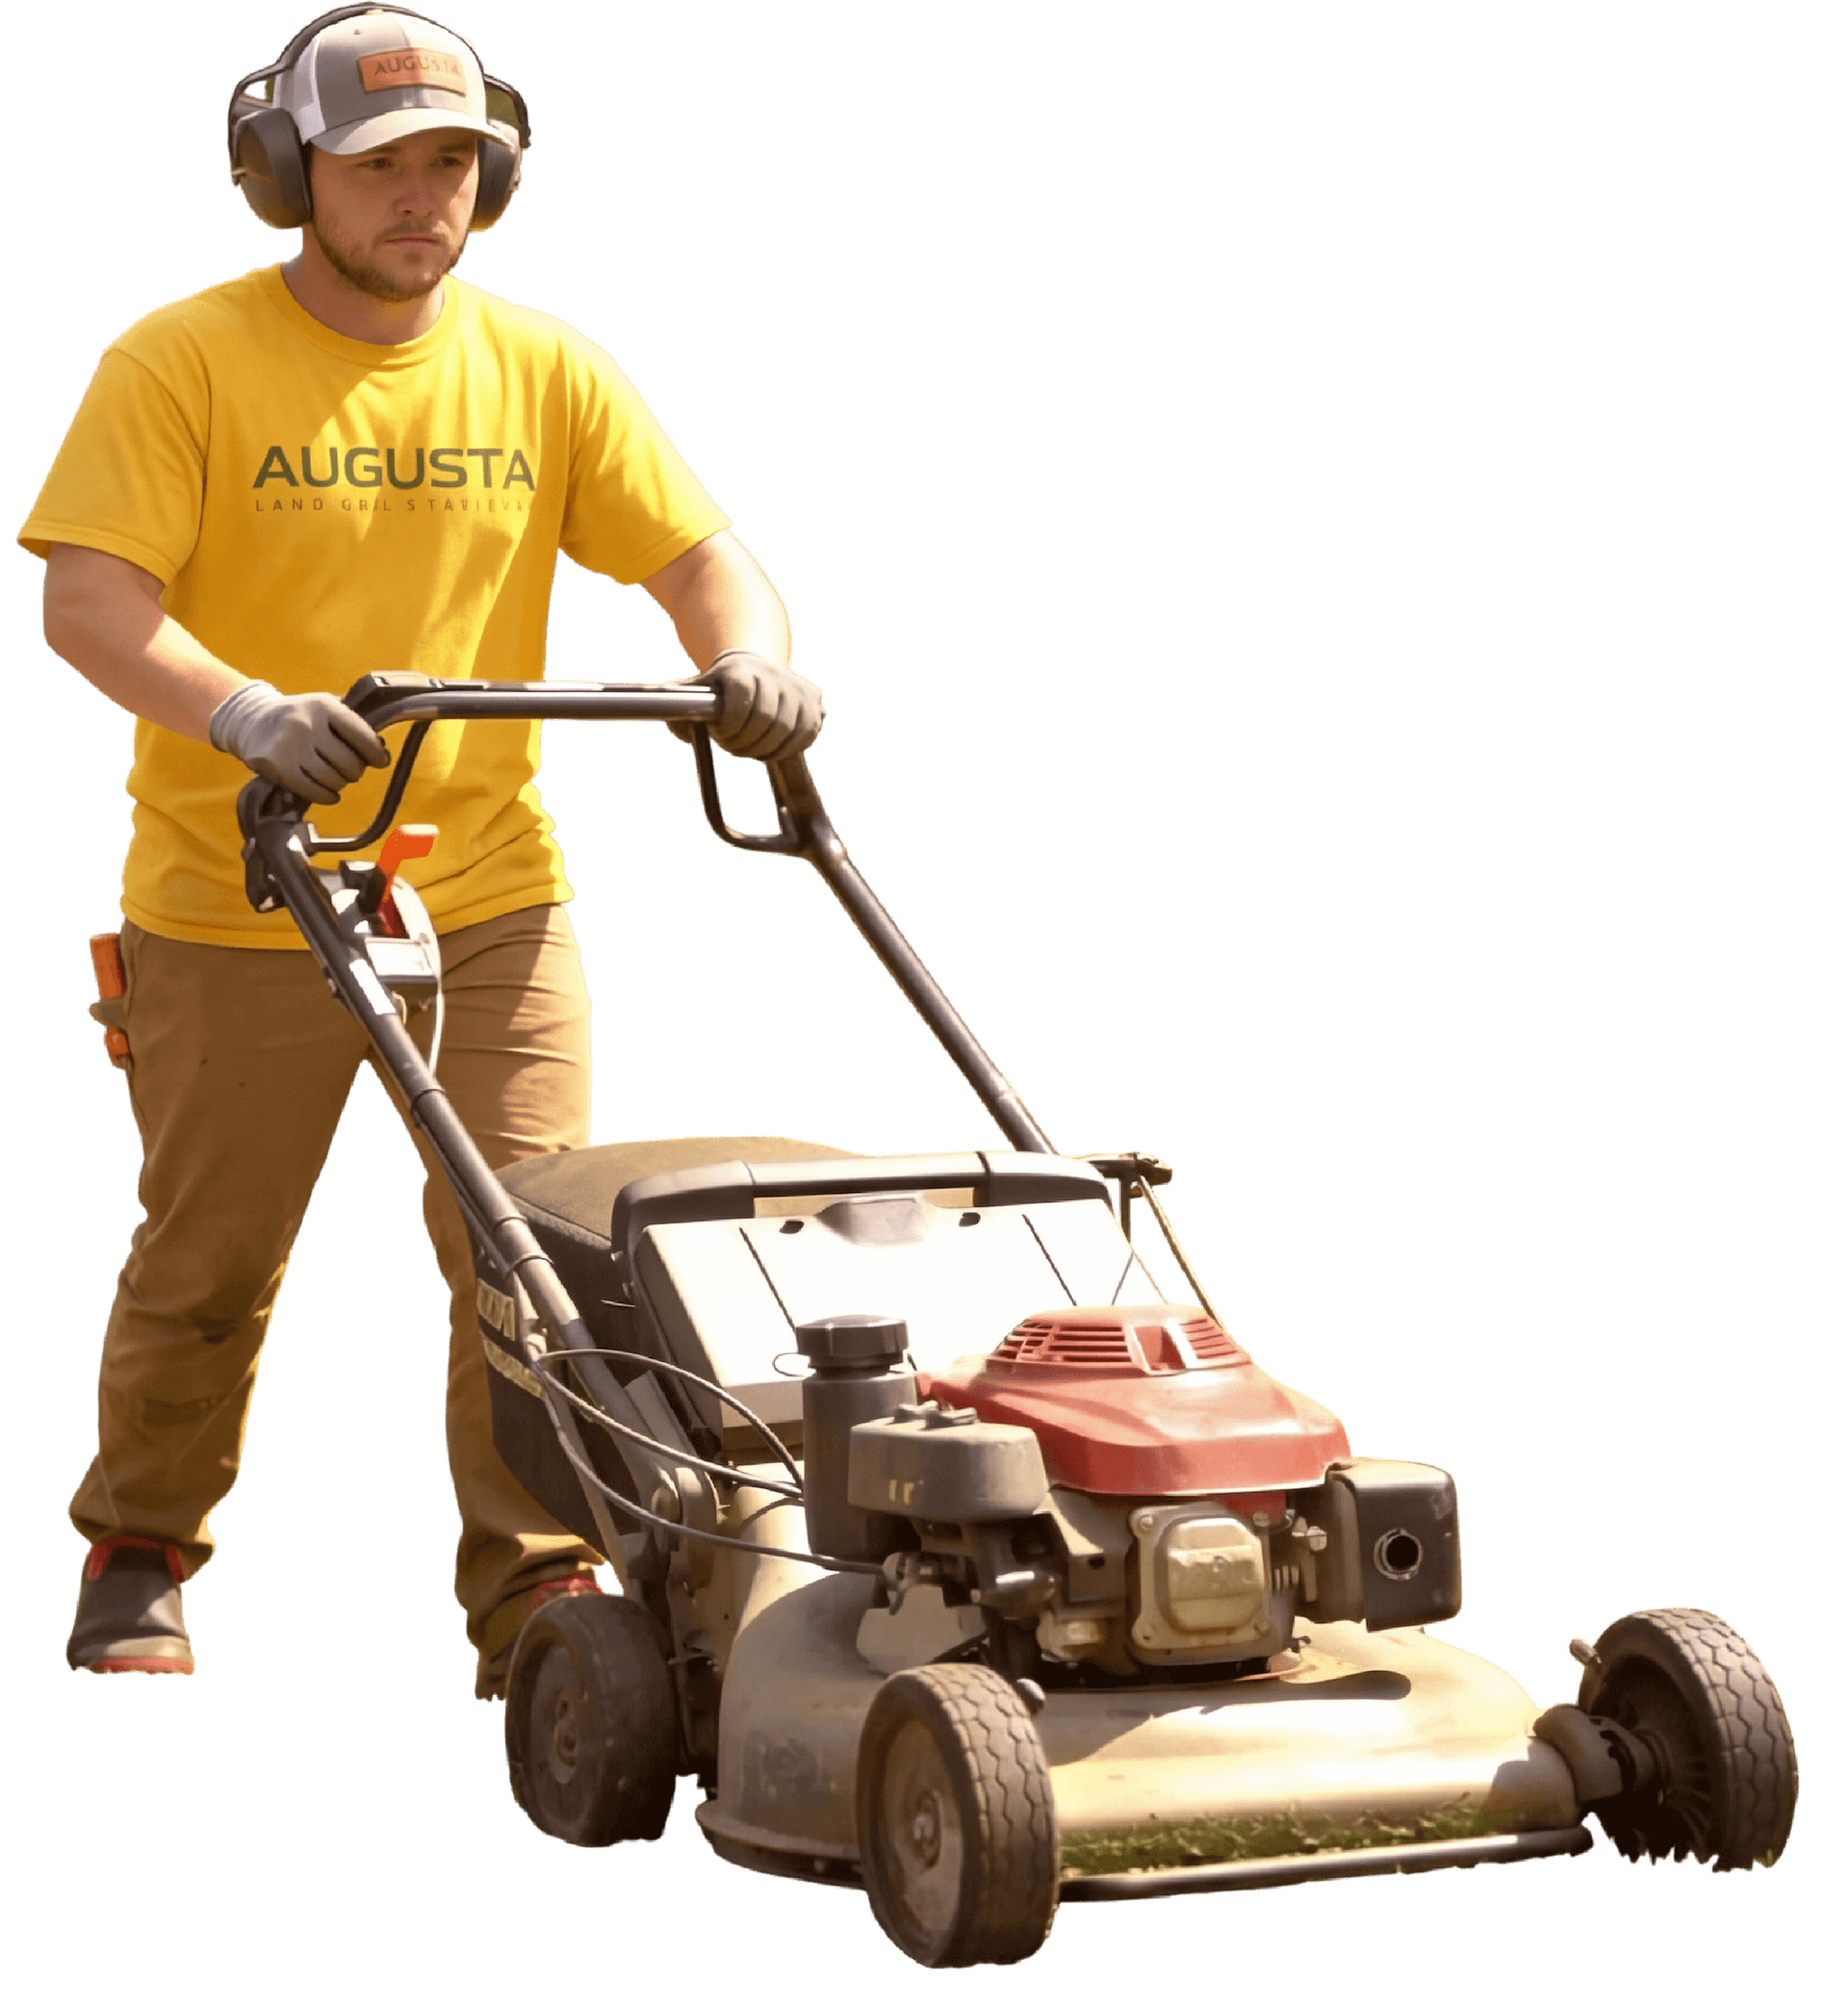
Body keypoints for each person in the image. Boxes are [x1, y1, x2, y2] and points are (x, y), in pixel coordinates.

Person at [20, 5, 826, 1699]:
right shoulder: (176, 360)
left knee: (534, 1257)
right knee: (211, 1259)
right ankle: (140, 1546)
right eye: (380, 165)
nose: (419, 197)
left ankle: (537, 1594)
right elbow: (87, 601)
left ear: (498, 178)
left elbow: (702, 554)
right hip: (240, 892)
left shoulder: (546, 364)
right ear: (282, 173)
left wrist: (752, 659)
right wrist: (242, 713)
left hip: (490, 894)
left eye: (451, 163)